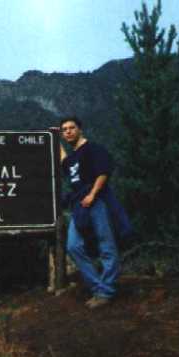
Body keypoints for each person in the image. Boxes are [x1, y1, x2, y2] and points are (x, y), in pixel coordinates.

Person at [59, 116, 132, 308]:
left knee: (106, 246)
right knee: (73, 246)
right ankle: (99, 287)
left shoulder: (93, 148)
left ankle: (105, 292)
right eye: (64, 129)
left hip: (96, 201)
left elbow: (103, 172)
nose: (67, 131)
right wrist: (52, 138)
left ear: (80, 129)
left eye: (71, 128)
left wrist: (92, 194)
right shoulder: (73, 157)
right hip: (79, 205)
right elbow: (64, 160)